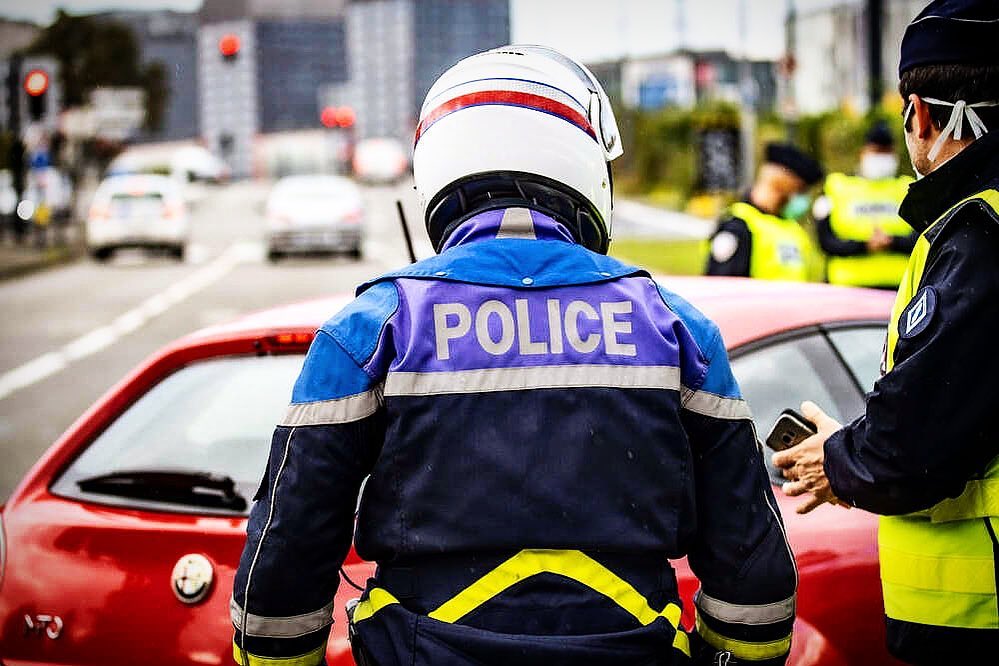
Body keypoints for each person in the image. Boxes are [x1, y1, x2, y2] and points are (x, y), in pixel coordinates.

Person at [230, 45, 796, 666]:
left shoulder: (372, 327)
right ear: (583, 165)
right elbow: (751, 569)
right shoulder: (676, 326)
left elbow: (284, 558)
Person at [773, 1, 999, 662]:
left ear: (920, 114)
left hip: (974, 612)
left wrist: (836, 462)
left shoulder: (979, 235)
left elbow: (916, 440)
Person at [813, 121, 916, 289]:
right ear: (863, 153)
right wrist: (863, 246)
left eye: (886, 152)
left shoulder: (908, 188)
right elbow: (826, 241)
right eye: (876, 152)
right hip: (848, 290)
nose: (881, 158)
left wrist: (893, 242)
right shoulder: (837, 187)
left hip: (899, 290)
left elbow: (924, 237)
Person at [705, 142, 823, 281]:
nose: (802, 196)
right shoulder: (738, 227)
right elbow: (723, 290)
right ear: (780, 180)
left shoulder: (792, 229)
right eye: (800, 188)